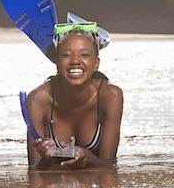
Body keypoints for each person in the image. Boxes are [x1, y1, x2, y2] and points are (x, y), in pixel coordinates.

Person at [25, 21, 123, 169]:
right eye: (66, 55)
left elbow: (109, 166)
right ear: (57, 62)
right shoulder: (38, 99)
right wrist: (47, 158)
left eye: (84, 55)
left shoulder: (110, 96)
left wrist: (87, 157)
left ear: (96, 63)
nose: (75, 61)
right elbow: (34, 170)